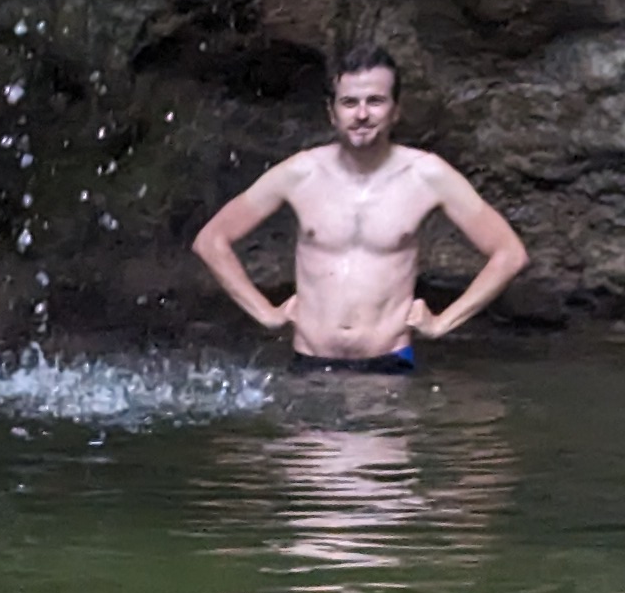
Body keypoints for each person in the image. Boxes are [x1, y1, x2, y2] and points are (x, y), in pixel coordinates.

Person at [191, 44, 529, 372]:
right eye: (349, 102)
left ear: (396, 110)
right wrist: (266, 313)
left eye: (375, 101)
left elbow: (509, 253)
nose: (362, 114)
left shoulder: (428, 176)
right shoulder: (299, 173)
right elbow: (212, 240)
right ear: (332, 112)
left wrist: (442, 323)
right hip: (311, 361)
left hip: (388, 362)